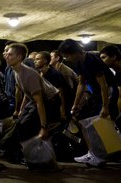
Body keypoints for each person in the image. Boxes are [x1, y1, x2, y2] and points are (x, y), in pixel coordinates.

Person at [59, 39, 119, 167]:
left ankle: (102, 156)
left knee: (101, 122)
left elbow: (104, 85)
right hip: (96, 93)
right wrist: (75, 104)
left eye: (67, 55)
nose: (66, 58)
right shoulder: (78, 62)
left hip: (108, 92)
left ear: (75, 52)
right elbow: (81, 84)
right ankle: (92, 153)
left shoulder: (92, 61)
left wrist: (105, 106)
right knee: (81, 119)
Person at [6, 43, 60, 142]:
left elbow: (40, 102)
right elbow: (27, 93)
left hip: (50, 101)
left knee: (25, 125)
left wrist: (44, 126)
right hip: (36, 101)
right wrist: (21, 110)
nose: (6, 56)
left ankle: (30, 153)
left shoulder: (29, 74)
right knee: (18, 123)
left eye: (9, 54)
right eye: (6, 53)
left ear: (19, 57)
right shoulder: (16, 72)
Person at [35, 51, 71, 122]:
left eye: (37, 59)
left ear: (45, 61)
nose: (35, 61)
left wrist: (62, 112)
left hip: (56, 107)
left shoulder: (54, 74)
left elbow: (61, 94)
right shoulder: (40, 73)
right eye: (35, 59)